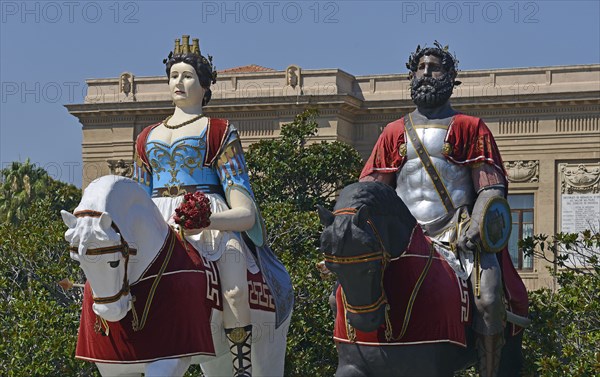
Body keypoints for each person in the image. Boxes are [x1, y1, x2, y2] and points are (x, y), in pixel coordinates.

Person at [133, 36, 292, 377]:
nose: (179, 81)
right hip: (158, 224)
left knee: (234, 289)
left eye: (188, 75)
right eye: (174, 75)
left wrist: (208, 219)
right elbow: (136, 199)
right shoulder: (145, 138)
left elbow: (245, 209)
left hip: (210, 226)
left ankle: (241, 364)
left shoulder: (219, 132)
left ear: (204, 86)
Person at [360, 42, 516, 377]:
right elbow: (371, 190)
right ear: (412, 76)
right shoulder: (393, 132)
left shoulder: (470, 127)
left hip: (457, 234)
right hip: (403, 239)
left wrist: (478, 221)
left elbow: (491, 186)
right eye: (421, 68)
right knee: (345, 292)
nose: (426, 74)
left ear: (450, 76)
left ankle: (489, 370)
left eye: (435, 67)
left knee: (488, 300)